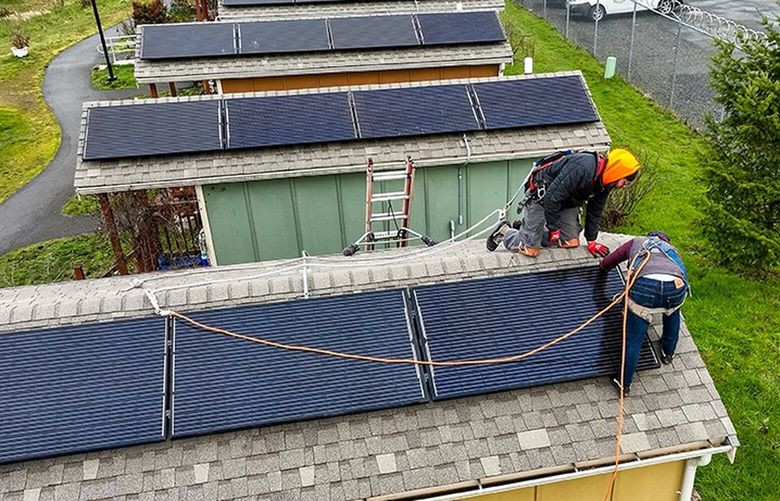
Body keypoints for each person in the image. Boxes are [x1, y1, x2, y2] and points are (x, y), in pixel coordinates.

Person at [486, 149, 640, 257]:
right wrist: (554, 228)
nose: (623, 186)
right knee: (531, 251)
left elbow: (595, 211)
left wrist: (591, 241)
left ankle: (527, 231)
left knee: (570, 242)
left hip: (567, 201)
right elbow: (552, 198)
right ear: (617, 171)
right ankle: (505, 232)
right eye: (625, 181)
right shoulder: (584, 167)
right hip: (542, 197)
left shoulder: (605, 183)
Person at [600, 231, 690, 395]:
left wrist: (603, 267)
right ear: (666, 240)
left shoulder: (637, 242)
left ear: (649, 236)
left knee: (634, 338)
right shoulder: (671, 250)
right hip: (676, 285)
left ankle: (623, 383)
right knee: (672, 312)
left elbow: (611, 260)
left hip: (645, 286)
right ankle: (668, 352)